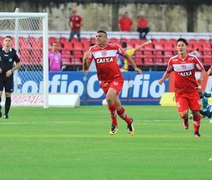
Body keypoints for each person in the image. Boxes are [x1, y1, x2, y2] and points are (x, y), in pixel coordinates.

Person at [83, 30, 142, 136]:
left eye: (99, 36)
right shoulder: (93, 50)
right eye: (96, 36)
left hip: (116, 78)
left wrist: (135, 67)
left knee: (109, 99)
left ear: (106, 38)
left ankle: (114, 123)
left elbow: (127, 56)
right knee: (118, 107)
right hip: (104, 81)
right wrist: (84, 60)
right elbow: (86, 68)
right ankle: (129, 121)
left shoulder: (114, 47)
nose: (97, 38)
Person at [158, 38, 206, 137]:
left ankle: (196, 133)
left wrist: (201, 78)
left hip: (192, 90)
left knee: (196, 113)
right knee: (184, 114)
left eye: (182, 45)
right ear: (176, 48)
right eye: (178, 45)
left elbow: (202, 70)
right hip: (180, 92)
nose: (180, 47)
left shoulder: (193, 59)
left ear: (186, 47)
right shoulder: (173, 60)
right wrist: (162, 79)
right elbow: (168, 72)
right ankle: (185, 119)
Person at [0, 36, 21, 119]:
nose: (7, 42)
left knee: (8, 94)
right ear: (3, 42)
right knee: (0, 93)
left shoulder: (14, 52)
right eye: (6, 40)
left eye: (9, 41)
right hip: (0, 76)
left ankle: (6, 114)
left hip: (9, 77)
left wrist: (11, 70)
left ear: (11, 42)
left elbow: (19, 64)